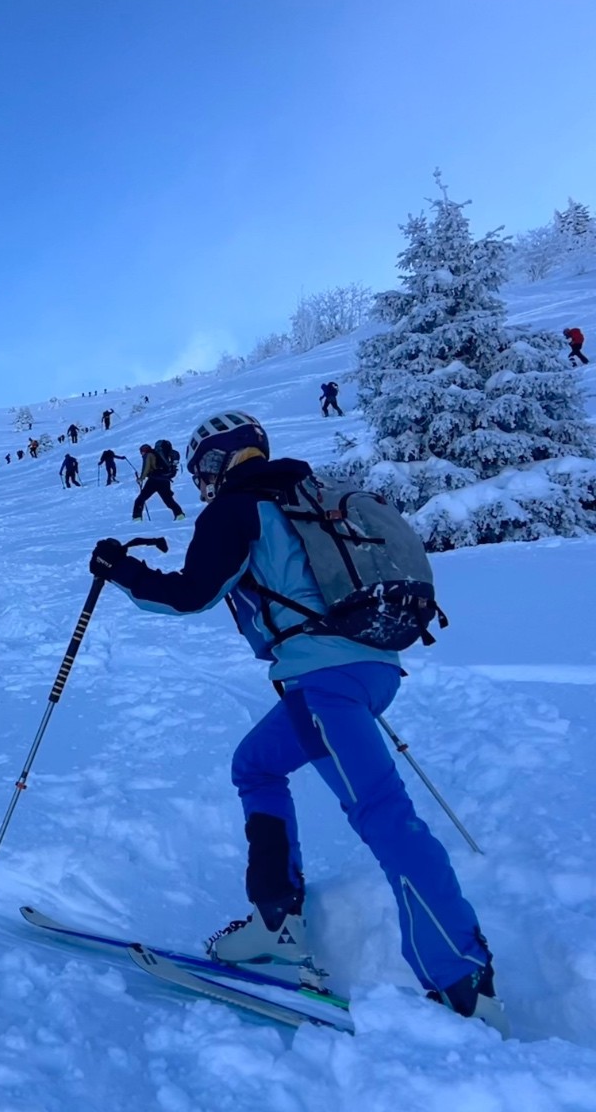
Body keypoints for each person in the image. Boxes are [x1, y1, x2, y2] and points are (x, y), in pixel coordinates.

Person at [86, 410, 505, 1032]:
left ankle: (460, 979)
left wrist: (119, 569)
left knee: (383, 815)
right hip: (370, 667)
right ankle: (278, 922)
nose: (202, 479)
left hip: (327, 680)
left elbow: (189, 594)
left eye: (204, 465)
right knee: (255, 765)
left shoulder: (237, 509)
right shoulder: (311, 494)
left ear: (223, 459)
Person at [132, 443, 186, 522]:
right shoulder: (158, 455)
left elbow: (146, 467)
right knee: (168, 500)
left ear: (143, 451)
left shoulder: (148, 455)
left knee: (140, 499)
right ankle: (179, 514)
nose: (141, 454)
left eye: (141, 452)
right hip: (165, 479)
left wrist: (141, 478)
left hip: (154, 480)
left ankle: (137, 518)